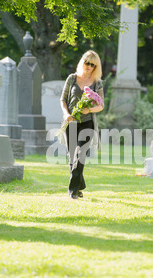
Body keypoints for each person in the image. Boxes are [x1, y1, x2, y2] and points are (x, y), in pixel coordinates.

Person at [60, 50, 104, 199]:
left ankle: (72, 191)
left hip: (87, 123)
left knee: (80, 155)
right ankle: (80, 186)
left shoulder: (97, 83)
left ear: (96, 67)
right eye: (87, 62)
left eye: (93, 64)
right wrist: (66, 114)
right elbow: (63, 99)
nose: (89, 66)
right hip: (71, 122)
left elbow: (101, 105)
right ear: (82, 62)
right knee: (72, 156)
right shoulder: (72, 78)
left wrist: (88, 110)